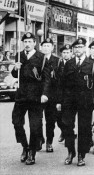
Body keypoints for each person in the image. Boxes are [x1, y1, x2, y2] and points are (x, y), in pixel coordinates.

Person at [57, 38, 94, 166]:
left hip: (85, 100)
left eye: (81, 47)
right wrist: (59, 101)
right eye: (76, 47)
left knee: (84, 128)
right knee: (67, 126)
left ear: (85, 49)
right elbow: (62, 83)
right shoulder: (69, 64)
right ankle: (71, 152)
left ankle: (82, 154)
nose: (78, 50)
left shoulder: (92, 64)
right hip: (69, 100)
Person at [11, 32, 51, 165]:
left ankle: (32, 153)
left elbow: (46, 79)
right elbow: (15, 74)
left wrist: (45, 94)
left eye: (30, 42)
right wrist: (14, 68)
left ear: (35, 43)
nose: (27, 44)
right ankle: (25, 146)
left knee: (35, 127)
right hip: (21, 96)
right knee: (16, 122)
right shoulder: (19, 55)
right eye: (25, 42)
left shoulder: (41, 57)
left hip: (35, 97)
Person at [40, 38, 60, 153]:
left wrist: (58, 99)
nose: (46, 48)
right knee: (37, 119)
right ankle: (39, 138)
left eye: (48, 46)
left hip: (52, 96)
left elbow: (59, 81)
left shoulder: (57, 61)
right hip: (39, 94)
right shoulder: (37, 59)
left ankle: (49, 142)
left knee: (50, 121)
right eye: (44, 46)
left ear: (52, 48)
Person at [56, 44, 72, 143]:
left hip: (70, 94)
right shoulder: (58, 64)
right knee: (58, 117)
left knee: (68, 117)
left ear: (71, 53)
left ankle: (68, 134)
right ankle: (63, 131)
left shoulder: (74, 63)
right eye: (64, 53)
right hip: (59, 93)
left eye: (68, 52)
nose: (66, 54)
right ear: (61, 54)